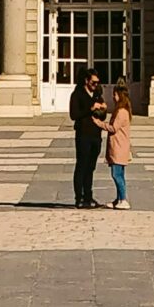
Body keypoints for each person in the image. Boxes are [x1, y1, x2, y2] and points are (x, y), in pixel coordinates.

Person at [69, 67, 104, 207]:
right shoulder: (77, 94)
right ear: (86, 81)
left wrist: (102, 109)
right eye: (94, 82)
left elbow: (102, 116)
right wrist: (90, 109)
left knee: (91, 168)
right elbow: (74, 115)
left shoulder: (97, 94)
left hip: (96, 135)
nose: (96, 85)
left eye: (97, 82)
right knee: (81, 166)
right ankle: (79, 198)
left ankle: (88, 196)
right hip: (83, 135)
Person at [101, 78, 134, 209]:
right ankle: (119, 199)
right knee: (120, 174)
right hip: (119, 146)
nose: (113, 97)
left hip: (119, 147)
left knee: (116, 174)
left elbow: (113, 128)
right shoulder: (122, 110)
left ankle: (123, 199)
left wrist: (99, 124)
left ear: (119, 95)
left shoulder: (121, 112)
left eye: (114, 94)